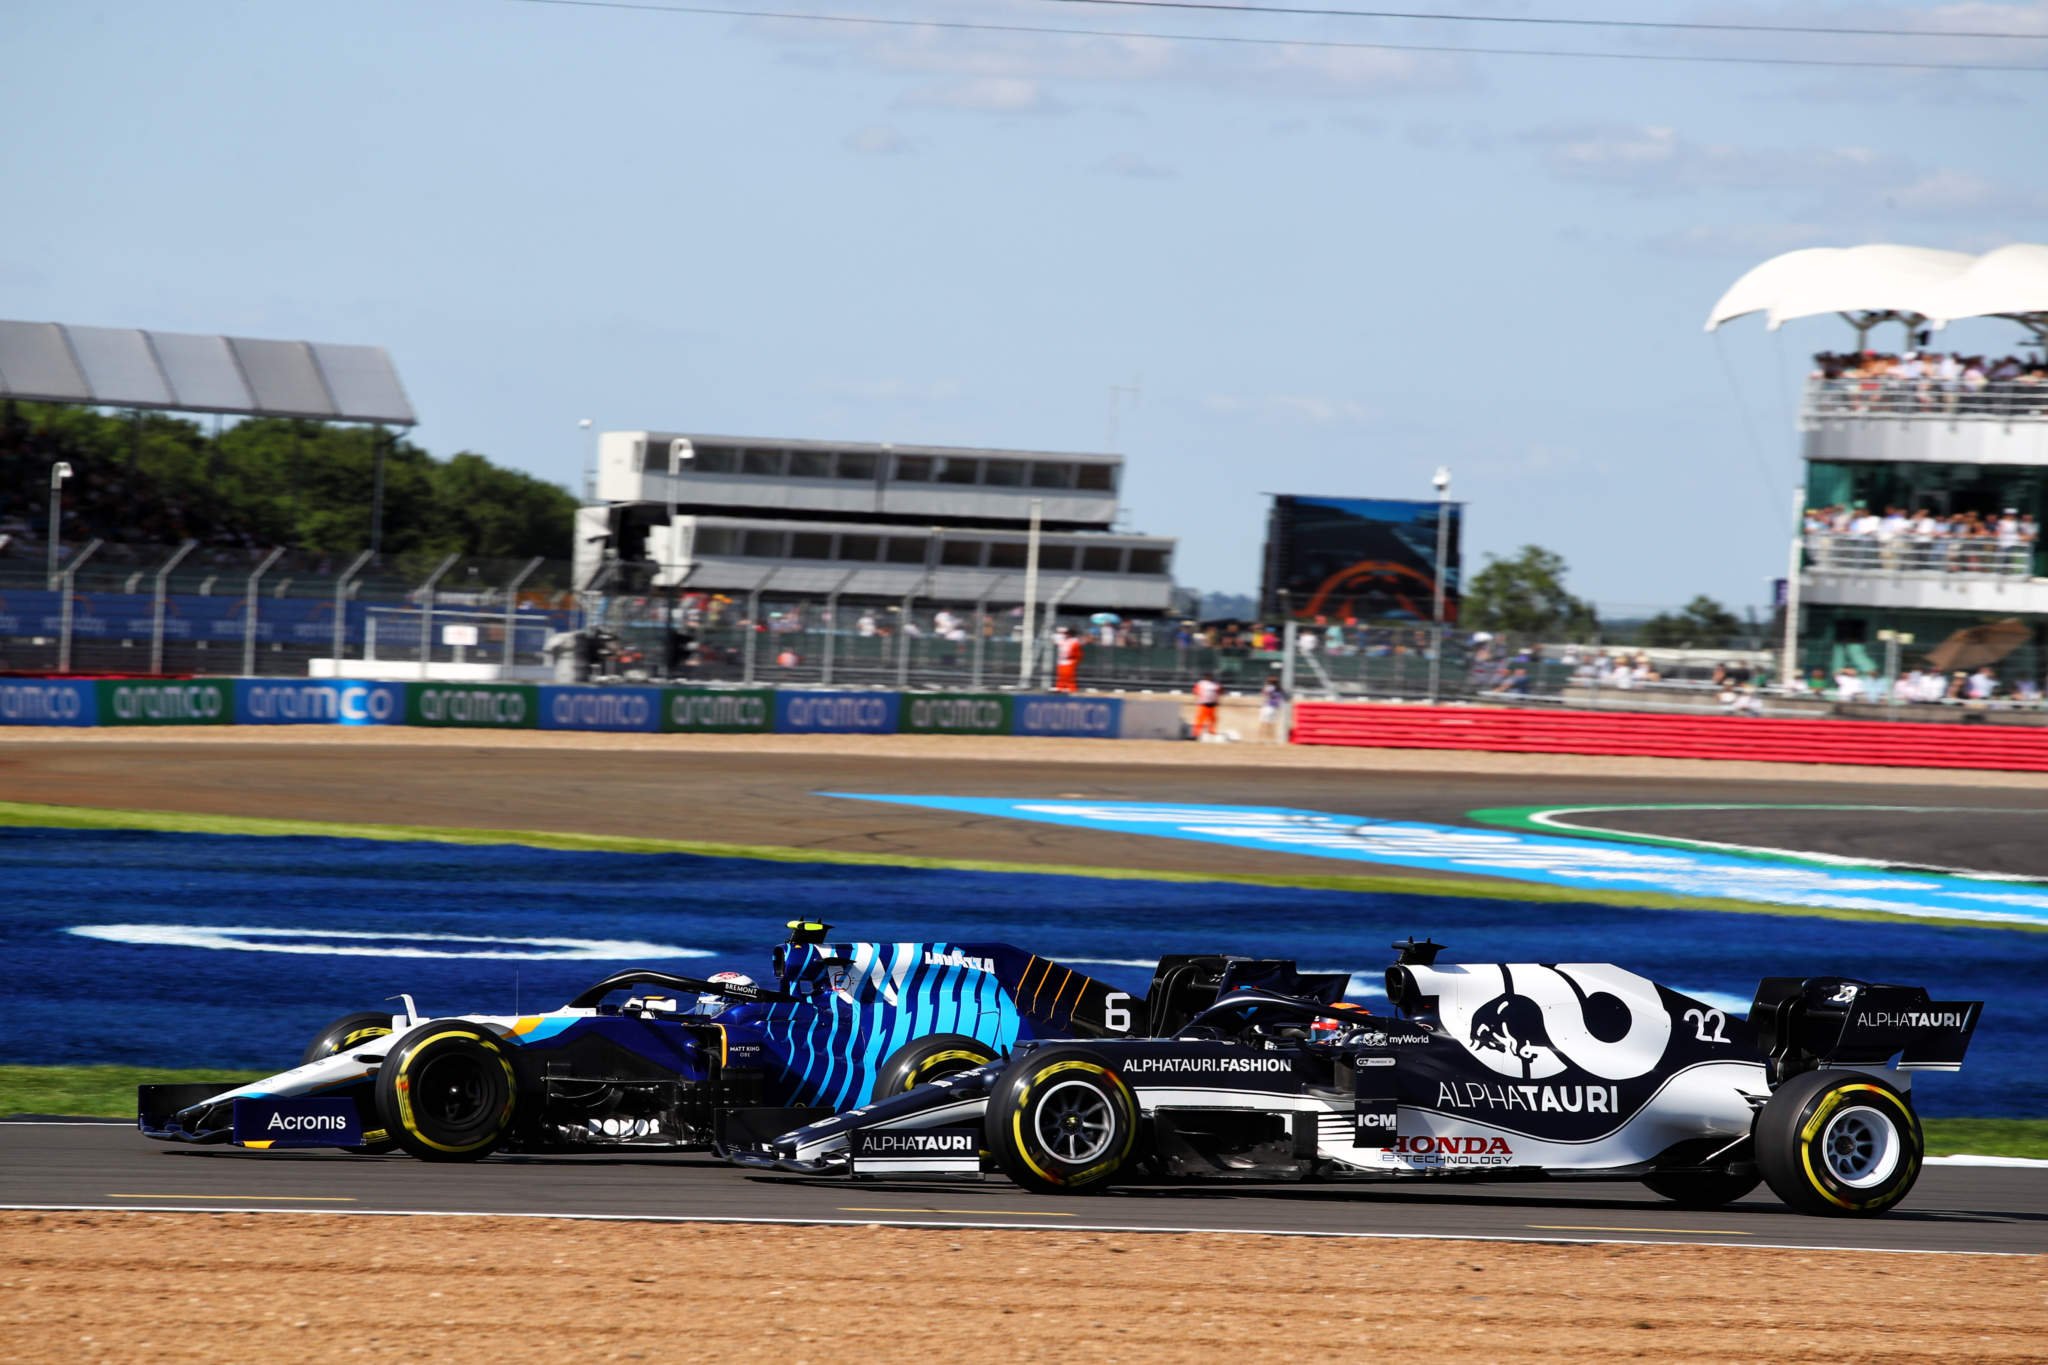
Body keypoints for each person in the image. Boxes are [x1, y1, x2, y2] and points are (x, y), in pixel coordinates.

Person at [1191, 672, 1223, 740]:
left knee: (1212, 720)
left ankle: (1211, 732)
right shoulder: (1201, 683)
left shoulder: (1215, 684)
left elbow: (1220, 691)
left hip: (1212, 705)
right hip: (1203, 704)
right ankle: (1196, 734)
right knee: (1200, 720)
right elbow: (1196, 691)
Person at [1257, 673, 1288, 742]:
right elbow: (1284, 697)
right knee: (1272, 724)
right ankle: (1271, 738)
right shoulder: (1280, 689)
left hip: (1267, 707)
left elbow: (1264, 693)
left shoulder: (1269, 687)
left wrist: (1266, 685)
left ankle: (1260, 738)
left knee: (1263, 723)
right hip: (1275, 708)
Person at [1053, 626, 1084, 693]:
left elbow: (1078, 653)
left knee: (1069, 676)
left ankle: (1070, 688)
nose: (1065, 635)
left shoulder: (1074, 641)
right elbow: (1056, 639)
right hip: (1062, 660)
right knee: (1061, 675)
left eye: (1067, 634)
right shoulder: (1063, 641)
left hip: (1070, 660)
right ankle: (1060, 687)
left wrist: (1075, 661)